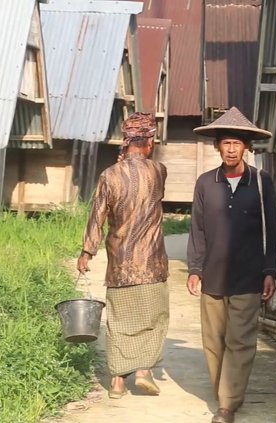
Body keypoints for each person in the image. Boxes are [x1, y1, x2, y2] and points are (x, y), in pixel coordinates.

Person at [186, 107, 276, 423]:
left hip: (248, 274)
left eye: (236, 144)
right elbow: (197, 229)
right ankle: (225, 394)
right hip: (212, 274)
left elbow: (272, 229)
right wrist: (194, 269)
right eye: (225, 143)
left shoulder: (261, 182)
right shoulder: (205, 183)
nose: (230, 149)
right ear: (217, 146)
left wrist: (270, 271)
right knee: (213, 342)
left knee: (240, 341)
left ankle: (227, 404)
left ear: (246, 147)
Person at [77, 112, 169, 399]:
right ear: (149, 142)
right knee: (153, 318)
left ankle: (117, 382)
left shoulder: (109, 176)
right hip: (152, 263)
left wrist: (87, 252)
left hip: (120, 265)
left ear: (125, 141)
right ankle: (143, 371)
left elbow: (97, 216)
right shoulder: (159, 171)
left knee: (118, 321)